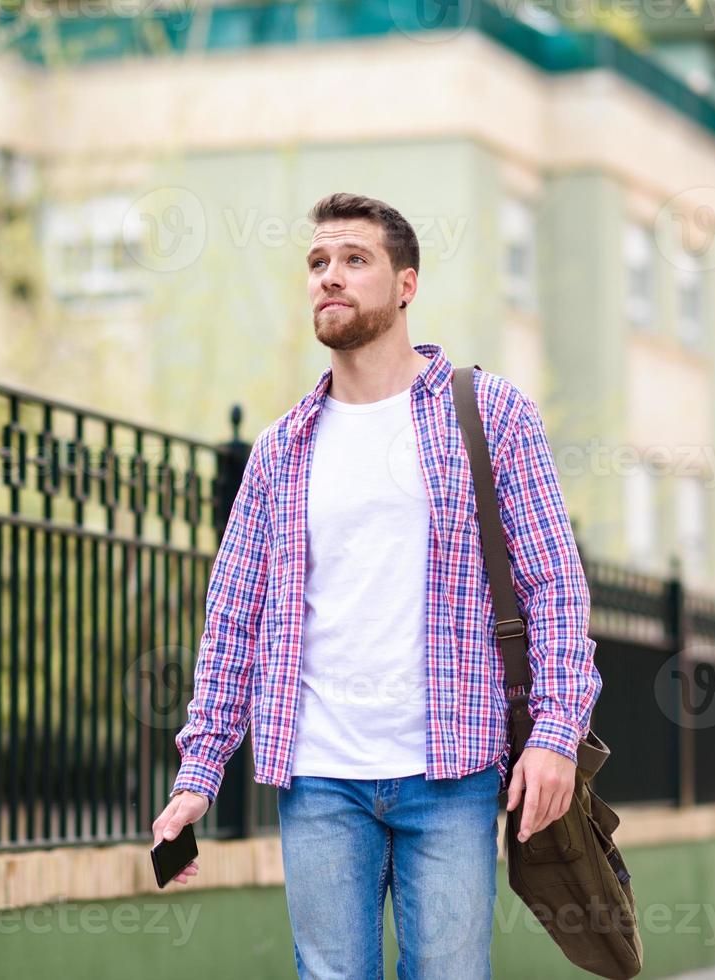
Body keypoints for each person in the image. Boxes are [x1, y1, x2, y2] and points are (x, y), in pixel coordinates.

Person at [150, 191, 602, 979]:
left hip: (452, 768)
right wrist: (199, 773)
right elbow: (233, 621)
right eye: (318, 262)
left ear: (405, 284)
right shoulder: (281, 448)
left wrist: (557, 732)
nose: (330, 276)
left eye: (354, 260)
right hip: (320, 773)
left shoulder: (488, 414)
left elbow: (554, 588)